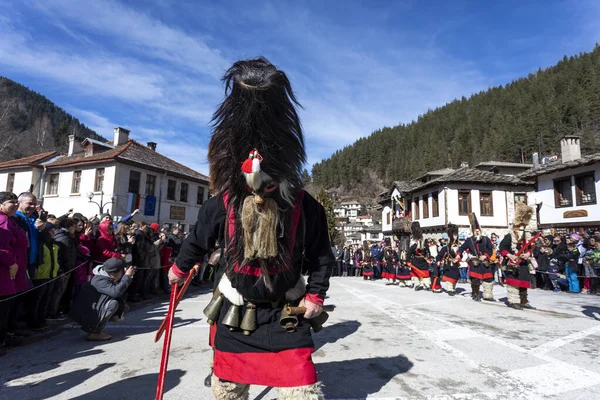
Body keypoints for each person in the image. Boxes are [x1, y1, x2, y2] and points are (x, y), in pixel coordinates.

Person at [169, 57, 333, 399]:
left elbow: (320, 255)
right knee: (229, 389)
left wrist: (316, 295)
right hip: (237, 309)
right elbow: (197, 240)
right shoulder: (224, 202)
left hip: (287, 310)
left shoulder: (304, 205)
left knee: (301, 389)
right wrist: (178, 268)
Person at [69, 258, 135, 341]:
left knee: (120, 305)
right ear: (114, 273)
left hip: (92, 308)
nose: (124, 272)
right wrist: (127, 276)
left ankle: (95, 327)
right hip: (86, 312)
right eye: (122, 270)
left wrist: (126, 276)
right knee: (113, 304)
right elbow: (116, 292)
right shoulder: (100, 280)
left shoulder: (106, 275)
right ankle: (95, 333)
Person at [0, 192, 30, 356]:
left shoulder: (9, 219)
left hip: (14, 269)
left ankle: (7, 335)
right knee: (4, 307)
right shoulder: (2, 220)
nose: (16, 205)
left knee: (10, 306)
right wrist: (11, 262)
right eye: (11, 202)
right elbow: (2, 247)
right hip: (5, 270)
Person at [457, 214, 494, 302]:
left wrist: (486, 255)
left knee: (488, 279)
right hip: (475, 262)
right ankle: (475, 294)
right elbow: (462, 248)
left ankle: (488, 295)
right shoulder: (469, 240)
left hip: (485, 262)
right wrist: (459, 254)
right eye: (475, 231)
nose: (477, 232)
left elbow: (490, 249)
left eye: (478, 231)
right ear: (473, 231)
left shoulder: (486, 239)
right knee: (475, 280)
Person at [407, 222, 431, 291]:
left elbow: (428, 252)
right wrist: (408, 261)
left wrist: (429, 258)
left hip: (423, 261)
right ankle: (417, 284)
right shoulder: (414, 246)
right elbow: (409, 253)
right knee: (415, 274)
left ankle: (426, 285)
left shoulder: (425, 245)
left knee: (425, 273)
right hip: (415, 261)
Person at [438, 225, 460, 296]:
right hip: (448, 264)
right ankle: (449, 289)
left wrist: (458, 259)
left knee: (455, 277)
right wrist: (438, 261)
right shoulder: (446, 248)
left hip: (456, 264)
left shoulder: (459, 248)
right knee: (449, 277)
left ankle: (453, 288)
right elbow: (439, 255)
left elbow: (462, 255)